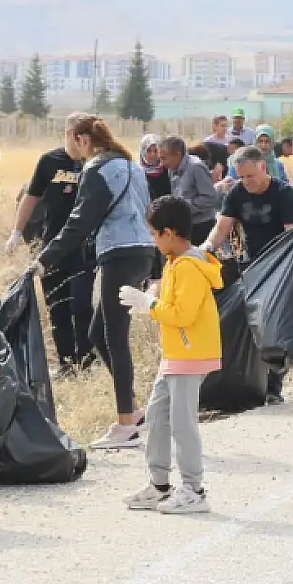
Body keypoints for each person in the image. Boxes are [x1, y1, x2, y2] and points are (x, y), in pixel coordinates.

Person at [38, 113, 155, 450]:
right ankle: (133, 409)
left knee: (114, 337)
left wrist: (45, 259)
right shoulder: (132, 166)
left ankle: (125, 425)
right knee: (97, 334)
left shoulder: (96, 169)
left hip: (119, 253)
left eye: (71, 140)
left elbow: (78, 223)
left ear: (83, 139)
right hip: (143, 251)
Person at [118, 197, 223, 516]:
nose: (153, 240)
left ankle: (194, 490)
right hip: (176, 354)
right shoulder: (176, 262)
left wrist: (149, 305)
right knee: (157, 416)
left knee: (181, 424)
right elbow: (172, 303)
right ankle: (160, 485)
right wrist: (153, 298)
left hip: (190, 355)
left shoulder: (189, 266)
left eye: (154, 234)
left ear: (170, 232)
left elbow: (183, 315)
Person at [8, 134, 95, 371]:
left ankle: (86, 361)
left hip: (84, 248)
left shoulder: (94, 161)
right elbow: (30, 197)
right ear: (70, 135)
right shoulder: (49, 161)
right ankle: (66, 363)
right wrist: (17, 232)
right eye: (78, 136)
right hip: (52, 247)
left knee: (81, 305)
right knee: (57, 307)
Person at [205, 147, 293, 264]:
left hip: (280, 260)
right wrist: (207, 247)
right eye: (241, 177)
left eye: (250, 176)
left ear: (263, 167)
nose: (246, 182)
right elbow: (221, 228)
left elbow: (291, 233)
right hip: (252, 260)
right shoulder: (237, 192)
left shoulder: (284, 193)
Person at [162, 136, 220, 246]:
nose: (162, 163)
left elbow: (210, 198)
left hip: (202, 226)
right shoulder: (172, 169)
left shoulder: (196, 167)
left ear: (177, 154)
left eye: (164, 158)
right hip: (185, 226)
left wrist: (184, 207)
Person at [139, 135, 172, 201]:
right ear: (143, 152)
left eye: (155, 151)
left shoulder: (168, 170)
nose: (153, 154)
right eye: (148, 151)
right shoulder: (138, 172)